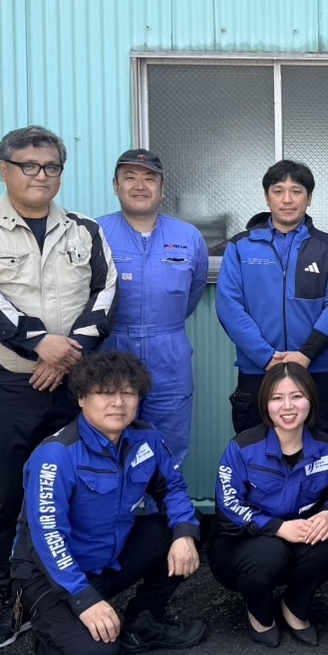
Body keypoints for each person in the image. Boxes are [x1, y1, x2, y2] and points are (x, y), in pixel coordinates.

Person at [0, 126, 118, 650]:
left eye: (51, 167)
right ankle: (11, 602)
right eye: (29, 166)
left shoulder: (85, 230)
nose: (41, 175)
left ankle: (71, 591)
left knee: (73, 491)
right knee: (8, 499)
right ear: (5, 170)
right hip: (4, 388)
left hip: (72, 385)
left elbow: (106, 293)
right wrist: (39, 344)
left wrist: (67, 355)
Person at [10, 351, 206, 655]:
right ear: (81, 398)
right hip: (51, 574)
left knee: (186, 526)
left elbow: (172, 488)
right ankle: (47, 647)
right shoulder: (56, 455)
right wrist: (83, 599)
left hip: (108, 560)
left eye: (128, 393)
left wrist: (184, 535)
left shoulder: (145, 437)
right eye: (104, 393)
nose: (118, 403)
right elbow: (47, 538)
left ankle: (144, 621)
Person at [208, 363, 328, 647]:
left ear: (311, 399)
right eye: (277, 398)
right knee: (269, 552)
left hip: (298, 539)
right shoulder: (243, 448)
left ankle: (295, 606)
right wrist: (276, 527)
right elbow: (228, 505)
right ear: (265, 404)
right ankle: (259, 613)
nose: (287, 406)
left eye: (297, 396)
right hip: (242, 544)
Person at [216, 159, 328, 438]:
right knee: (254, 450)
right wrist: (266, 358)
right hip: (258, 372)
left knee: (321, 451)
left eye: (296, 191)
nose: (287, 199)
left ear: (309, 198)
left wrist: (306, 355)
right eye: (278, 191)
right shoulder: (240, 246)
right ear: (267, 198)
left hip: (317, 372)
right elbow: (229, 306)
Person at [99, 149, 209, 468]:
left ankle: (164, 500)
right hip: (110, 350)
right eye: (129, 177)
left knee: (167, 444)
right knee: (108, 440)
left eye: (149, 178)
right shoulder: (95, 233)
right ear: (115, 186)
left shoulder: (188, 236)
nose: (140, 185)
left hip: (169, 354)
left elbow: (194, 291)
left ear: (162, 188)